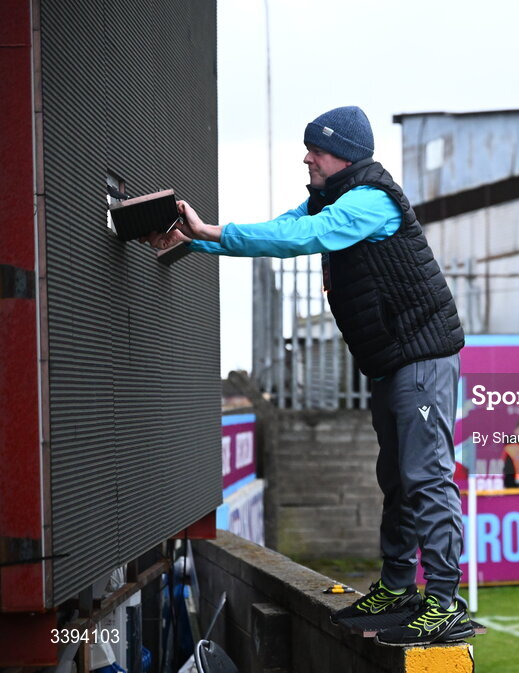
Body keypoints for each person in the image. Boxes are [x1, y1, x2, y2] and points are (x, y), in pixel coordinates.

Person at [147, 106, 472, 646]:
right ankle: (397, 588)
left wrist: (208, 230)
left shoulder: (368, 201)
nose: (306, 157)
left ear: (343, 153)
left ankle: (443, 600)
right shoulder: (332, 197)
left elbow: (306, 237)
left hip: (422, 359)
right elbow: (283, 229)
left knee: (424, 478)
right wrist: (195, 239)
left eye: (315, 149)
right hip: (394, 364)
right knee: (397, 481)